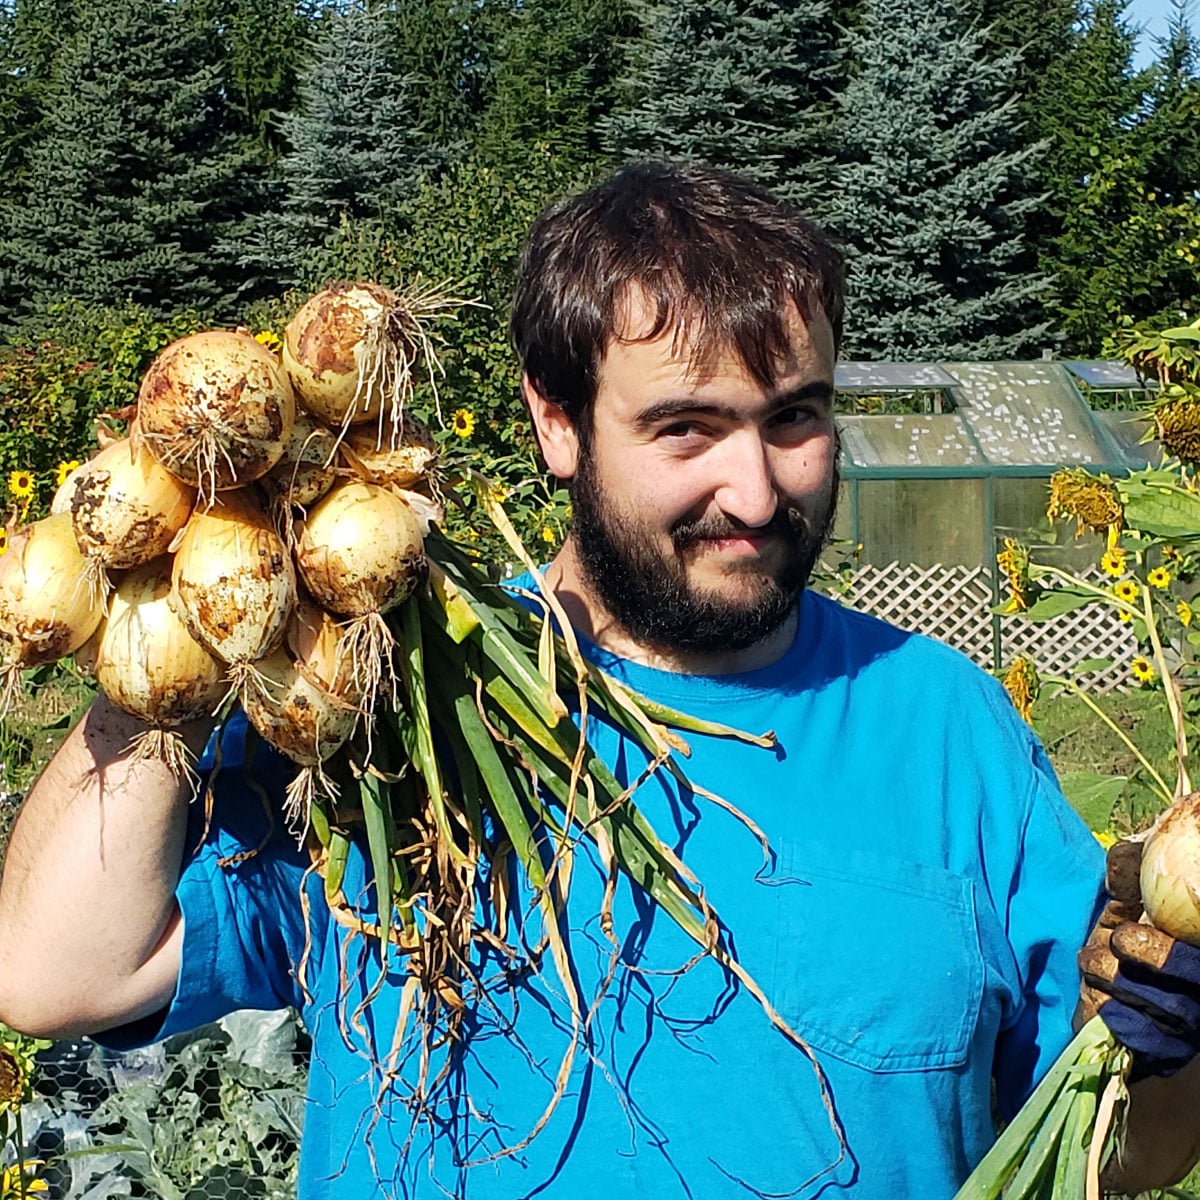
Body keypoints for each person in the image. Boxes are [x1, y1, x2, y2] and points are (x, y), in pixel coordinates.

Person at [1, 160, 1200, 1199]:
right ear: (558, 422)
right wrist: (174, 623)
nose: (757, 490)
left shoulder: (946, 729)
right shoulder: (381, 711)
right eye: (687, 429)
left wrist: (1175, 1041)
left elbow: (1128, 1154)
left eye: (796, 418)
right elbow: (57, 972)